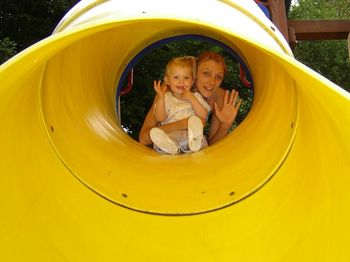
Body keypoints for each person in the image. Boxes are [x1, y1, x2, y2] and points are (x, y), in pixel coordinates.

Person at [139, 51, 242, 148]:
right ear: (194, 74)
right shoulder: (169, 89)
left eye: (219, 77)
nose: (212, 82)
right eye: (206, 73)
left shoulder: (220, 98)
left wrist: (225, 125)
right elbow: (144, 139)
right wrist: (184, 124)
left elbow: (213, 147)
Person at [149, 56, 211, 154]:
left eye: (186, 78)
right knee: (166, 140)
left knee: (195, 136)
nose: (181, 82)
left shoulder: (195, 97)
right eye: (176, 77)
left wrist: (192, 99)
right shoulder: (166, 98)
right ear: (167, 80)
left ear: (192, 81)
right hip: (171, 136)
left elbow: (204, 115)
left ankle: (192, 145)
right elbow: (160, 118)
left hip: (190, 135)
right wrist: (160, 98)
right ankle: (170, 148)